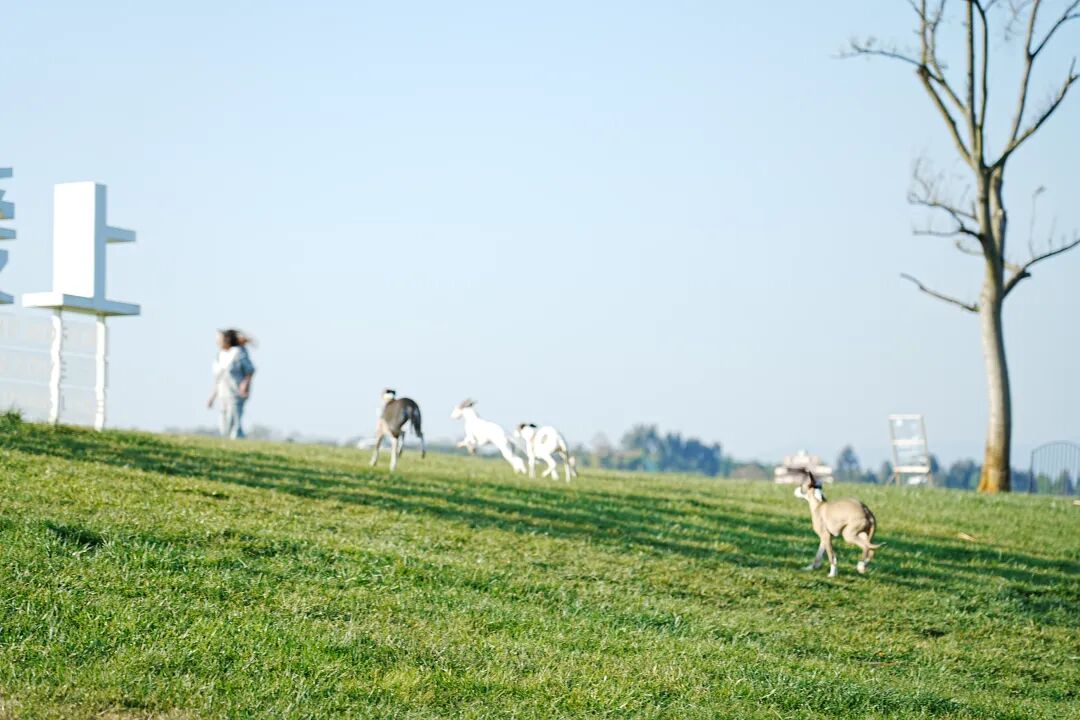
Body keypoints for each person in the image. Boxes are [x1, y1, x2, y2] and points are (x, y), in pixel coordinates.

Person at [208, 329, 255, 438]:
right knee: (223, 425)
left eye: (219, 339)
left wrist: (245, 385)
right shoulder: (219, 355)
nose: (217, 342)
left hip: (235, 394)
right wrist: (212, 397)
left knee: (234, 424)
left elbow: (250, 370)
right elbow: (219, 378)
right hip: (222, 394)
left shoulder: (238, 352)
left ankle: (239, 444)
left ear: (227, 340)